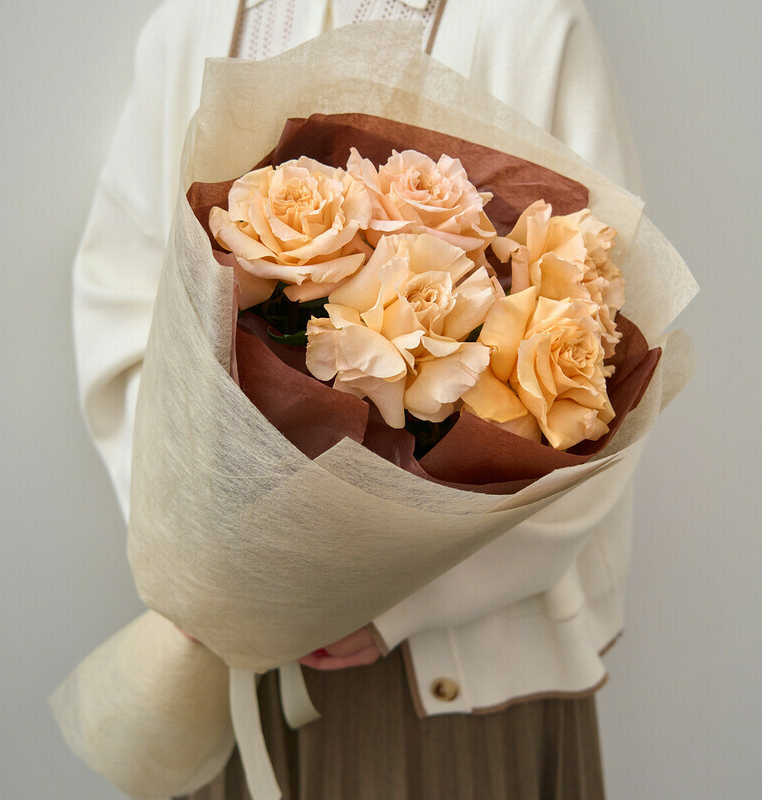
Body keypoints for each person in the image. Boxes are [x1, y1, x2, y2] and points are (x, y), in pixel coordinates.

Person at [72, 1, 644, 798]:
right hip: (235, 650)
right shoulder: (190, 24)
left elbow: (602, 374)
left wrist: (400, 603)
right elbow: (121, 299)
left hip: (448, 685)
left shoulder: (527, 24)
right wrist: (204, 549)